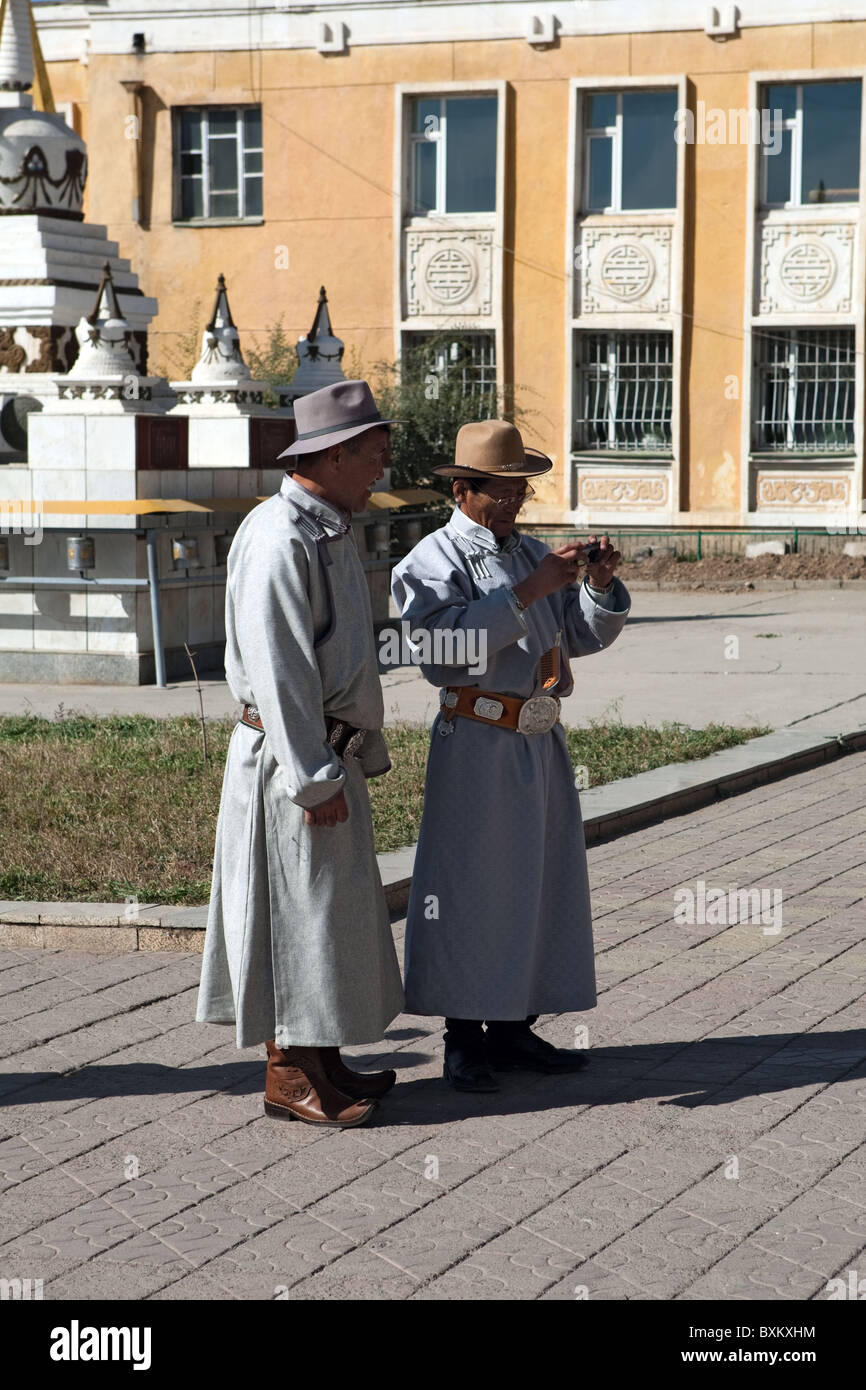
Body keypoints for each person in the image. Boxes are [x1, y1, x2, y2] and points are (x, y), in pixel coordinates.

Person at [391, 419, 630, 1092]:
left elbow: (574, 637)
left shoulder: (529, 555)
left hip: (537, 737)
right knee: (471, 888)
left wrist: (599, 587)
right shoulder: (431, 561)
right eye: (500, 491)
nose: (514, 503)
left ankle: (515, 1025)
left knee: (537, 884)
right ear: (462, 490)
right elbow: (439, 654)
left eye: (521, 490)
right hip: (475, 741)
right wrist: (526, 592)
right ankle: (465, 1036)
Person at [196, 379, 404, 1128]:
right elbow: (281, 670)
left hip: (322, 753)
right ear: (334, 455)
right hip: (293, 763)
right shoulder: (281, 536)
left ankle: (321, 1056)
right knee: (296, 912)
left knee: (327, 913)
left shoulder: (325, 528)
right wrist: (314, 778)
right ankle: (288, 1072)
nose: (381, 468)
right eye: (373, 455)